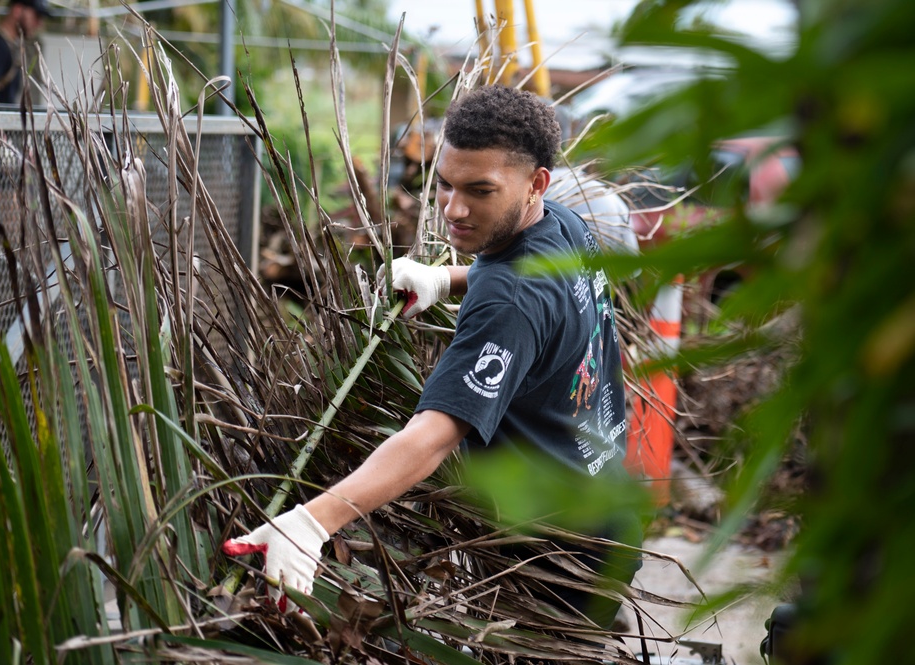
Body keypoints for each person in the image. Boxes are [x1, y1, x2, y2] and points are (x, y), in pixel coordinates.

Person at [224, 85, 642, 628]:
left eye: (480, 190)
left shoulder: (509, 303)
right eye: (444, 184)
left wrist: (311, 522)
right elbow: (531, 287)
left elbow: (432, 438)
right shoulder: (562, 224)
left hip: (560, 555)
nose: (455, 208)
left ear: (536, 183)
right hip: (607, 508)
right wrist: (448, 278)